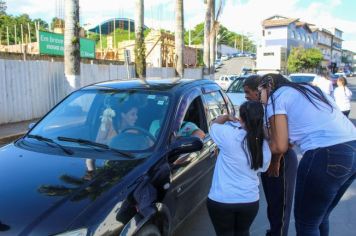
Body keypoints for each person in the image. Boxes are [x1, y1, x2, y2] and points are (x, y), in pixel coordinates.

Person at [258, 73, 356, 236]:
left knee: (306, 224)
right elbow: (291, 138)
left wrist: (272, 154)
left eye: (260, 91)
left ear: (269, 86)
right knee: (320, 217)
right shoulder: (310, 90)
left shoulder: (276, 97)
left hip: (325, 153)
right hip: (352, 148)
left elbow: (280, 146)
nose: (260, 99)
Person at [243, 75, 298, 236]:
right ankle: (274, 231)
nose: (245, 96)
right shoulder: (263, 107)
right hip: (270, 160)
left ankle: (278, 233)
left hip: (282, 160)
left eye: (248, 92)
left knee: (280, 206)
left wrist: (275, 162)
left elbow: (285, 141)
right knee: (273, 203)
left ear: (258, 92)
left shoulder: (276, 105)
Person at [207, 101, 271, 236]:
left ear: (241, 118)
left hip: (222, 200)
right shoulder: (264, 144)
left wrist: (226, 117)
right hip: (249, 200)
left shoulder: (228, 134)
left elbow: (213, 125)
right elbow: (263, 168)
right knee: (243, 232)